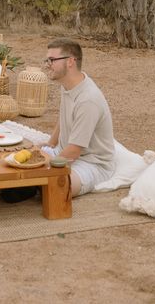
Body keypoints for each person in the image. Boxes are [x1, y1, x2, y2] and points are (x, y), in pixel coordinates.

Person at [40, 37, 115, 197]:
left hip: (92, 163)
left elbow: (74, 151)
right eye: (47, 60)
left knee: (55, 190)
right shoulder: (68, 85)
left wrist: (43, 167)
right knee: (20, 163)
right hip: (64, 152)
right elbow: (63, 117)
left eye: (52, 60)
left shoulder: (88, 99)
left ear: (70, 61)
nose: (48, 65)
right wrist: (49, 144)